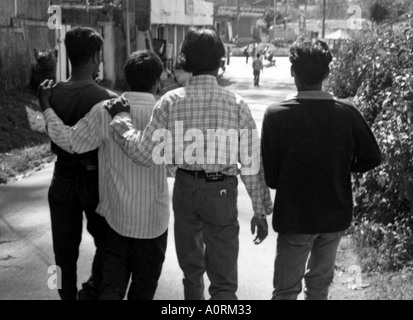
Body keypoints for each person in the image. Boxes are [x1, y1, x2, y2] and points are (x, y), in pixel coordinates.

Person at [106, 27, 273, 300]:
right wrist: (260, 210)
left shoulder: (170, 102)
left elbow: (145, 153)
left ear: (187, 60)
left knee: (192, 273)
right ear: (220, 62)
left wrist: (121, 121)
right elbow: (252, 164)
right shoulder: (237, 104)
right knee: (224, 281)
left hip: (185, 189)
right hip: (221, 192)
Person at [38, 50, 170, 300]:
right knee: (144, 289)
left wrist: (46, 106)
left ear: (125, 78)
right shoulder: (167, 113)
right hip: (154, 222)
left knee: (110, 288)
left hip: (117, 221)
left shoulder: (105, 110)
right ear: (157, 81)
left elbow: (69, 141)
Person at [261, 37, 382, 300]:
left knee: (285, 291)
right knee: (318, 289)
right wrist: (340, 165)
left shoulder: (276, 114)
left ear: (293, 71)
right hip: (333, 217)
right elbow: (373, 157)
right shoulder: (346, 112)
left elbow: (271, 178)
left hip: (294, 217)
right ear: (327, 73)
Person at [39, 26, 118, 300]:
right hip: (95, 180)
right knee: (109, 244)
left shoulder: (51, 95)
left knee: (63, 253)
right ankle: (93, 289)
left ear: (68, 55)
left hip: (60, 178)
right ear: (97, 55)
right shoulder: (105, 99)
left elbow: (50, 131)